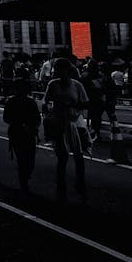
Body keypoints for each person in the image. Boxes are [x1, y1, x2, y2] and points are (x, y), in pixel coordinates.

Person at [44, 58, 89, 203]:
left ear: (67, 70)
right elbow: (46, 101)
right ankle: (61, 184)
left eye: (60, 69)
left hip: (74, 123)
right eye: (56, 69)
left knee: (79, 155)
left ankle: (80, 183)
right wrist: (49, 109)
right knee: (62, 156)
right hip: (59, 123)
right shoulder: (52, 84)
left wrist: (73, 104)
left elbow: (85, 103)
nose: (57, 72)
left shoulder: (77, 85)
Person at [3, 79, 41, 193]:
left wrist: (34, 126)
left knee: (28, 159)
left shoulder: (30, 102)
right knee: (23, 158)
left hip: (28, 132)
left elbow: (37, 118)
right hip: (17, 132)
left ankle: (25, 178)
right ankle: (24, 182)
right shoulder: (12, 102)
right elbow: (6, 118)